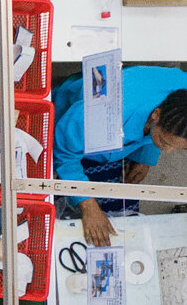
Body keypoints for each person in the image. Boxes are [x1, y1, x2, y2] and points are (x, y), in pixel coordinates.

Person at [52, 68, 187, 248]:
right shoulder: (103, 112)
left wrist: (145, 155)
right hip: (63, 119)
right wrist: (88, 205)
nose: (168, 151)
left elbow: (162, 130)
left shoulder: (181, 90)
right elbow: (65, 153)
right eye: (163, 141)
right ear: (156, 114)